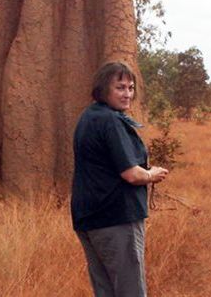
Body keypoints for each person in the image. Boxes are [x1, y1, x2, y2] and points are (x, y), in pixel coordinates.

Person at [71, 61, 169, 297]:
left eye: (130, 88)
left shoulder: (89, 116)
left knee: (105, 290)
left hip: (89, 218)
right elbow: (131, 174)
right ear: (104, 89)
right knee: (130, 291)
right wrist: (151, 175)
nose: (127, 94)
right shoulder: (110, 121)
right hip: (116, 217)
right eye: (120, 88)